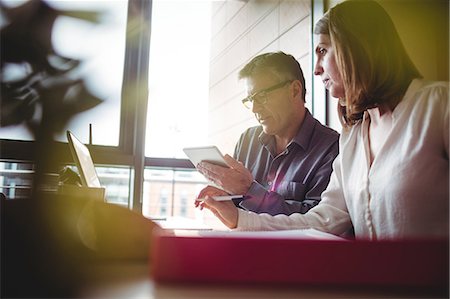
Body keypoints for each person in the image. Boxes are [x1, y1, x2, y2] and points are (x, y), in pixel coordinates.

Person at [197, 0, 449, 240]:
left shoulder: (439, 105)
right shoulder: (354, 135)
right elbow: (323, 221)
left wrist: (248, 194)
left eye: (323, 50)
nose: (316, 68)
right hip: (374, 284)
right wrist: (238, 218)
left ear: (358, 46)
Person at [196, 52, 339, 216]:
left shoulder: (331, 149)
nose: (255, 109)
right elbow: (237, 208)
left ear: (294, 90)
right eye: (251, 100)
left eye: (262, 96)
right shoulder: (247, 140)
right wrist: (223, 199)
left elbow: (315, 220)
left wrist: (250, 191)